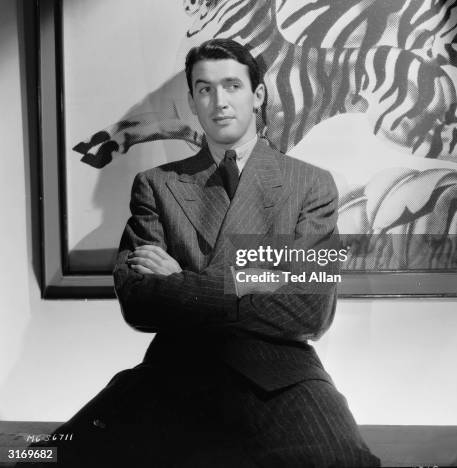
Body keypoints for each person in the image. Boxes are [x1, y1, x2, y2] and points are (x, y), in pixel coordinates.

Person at [40, 39, 380, 467]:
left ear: (257, 96)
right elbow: (138, 299)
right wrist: (259, 279)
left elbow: (311, 306)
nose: (219, 101)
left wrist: (181, 282)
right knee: (44, 458)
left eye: (232, 86)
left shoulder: (311, 185)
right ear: (192, 101)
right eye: (205, 89)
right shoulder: (157, 185)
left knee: (342, 461)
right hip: (173, 373)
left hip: (280, 374)